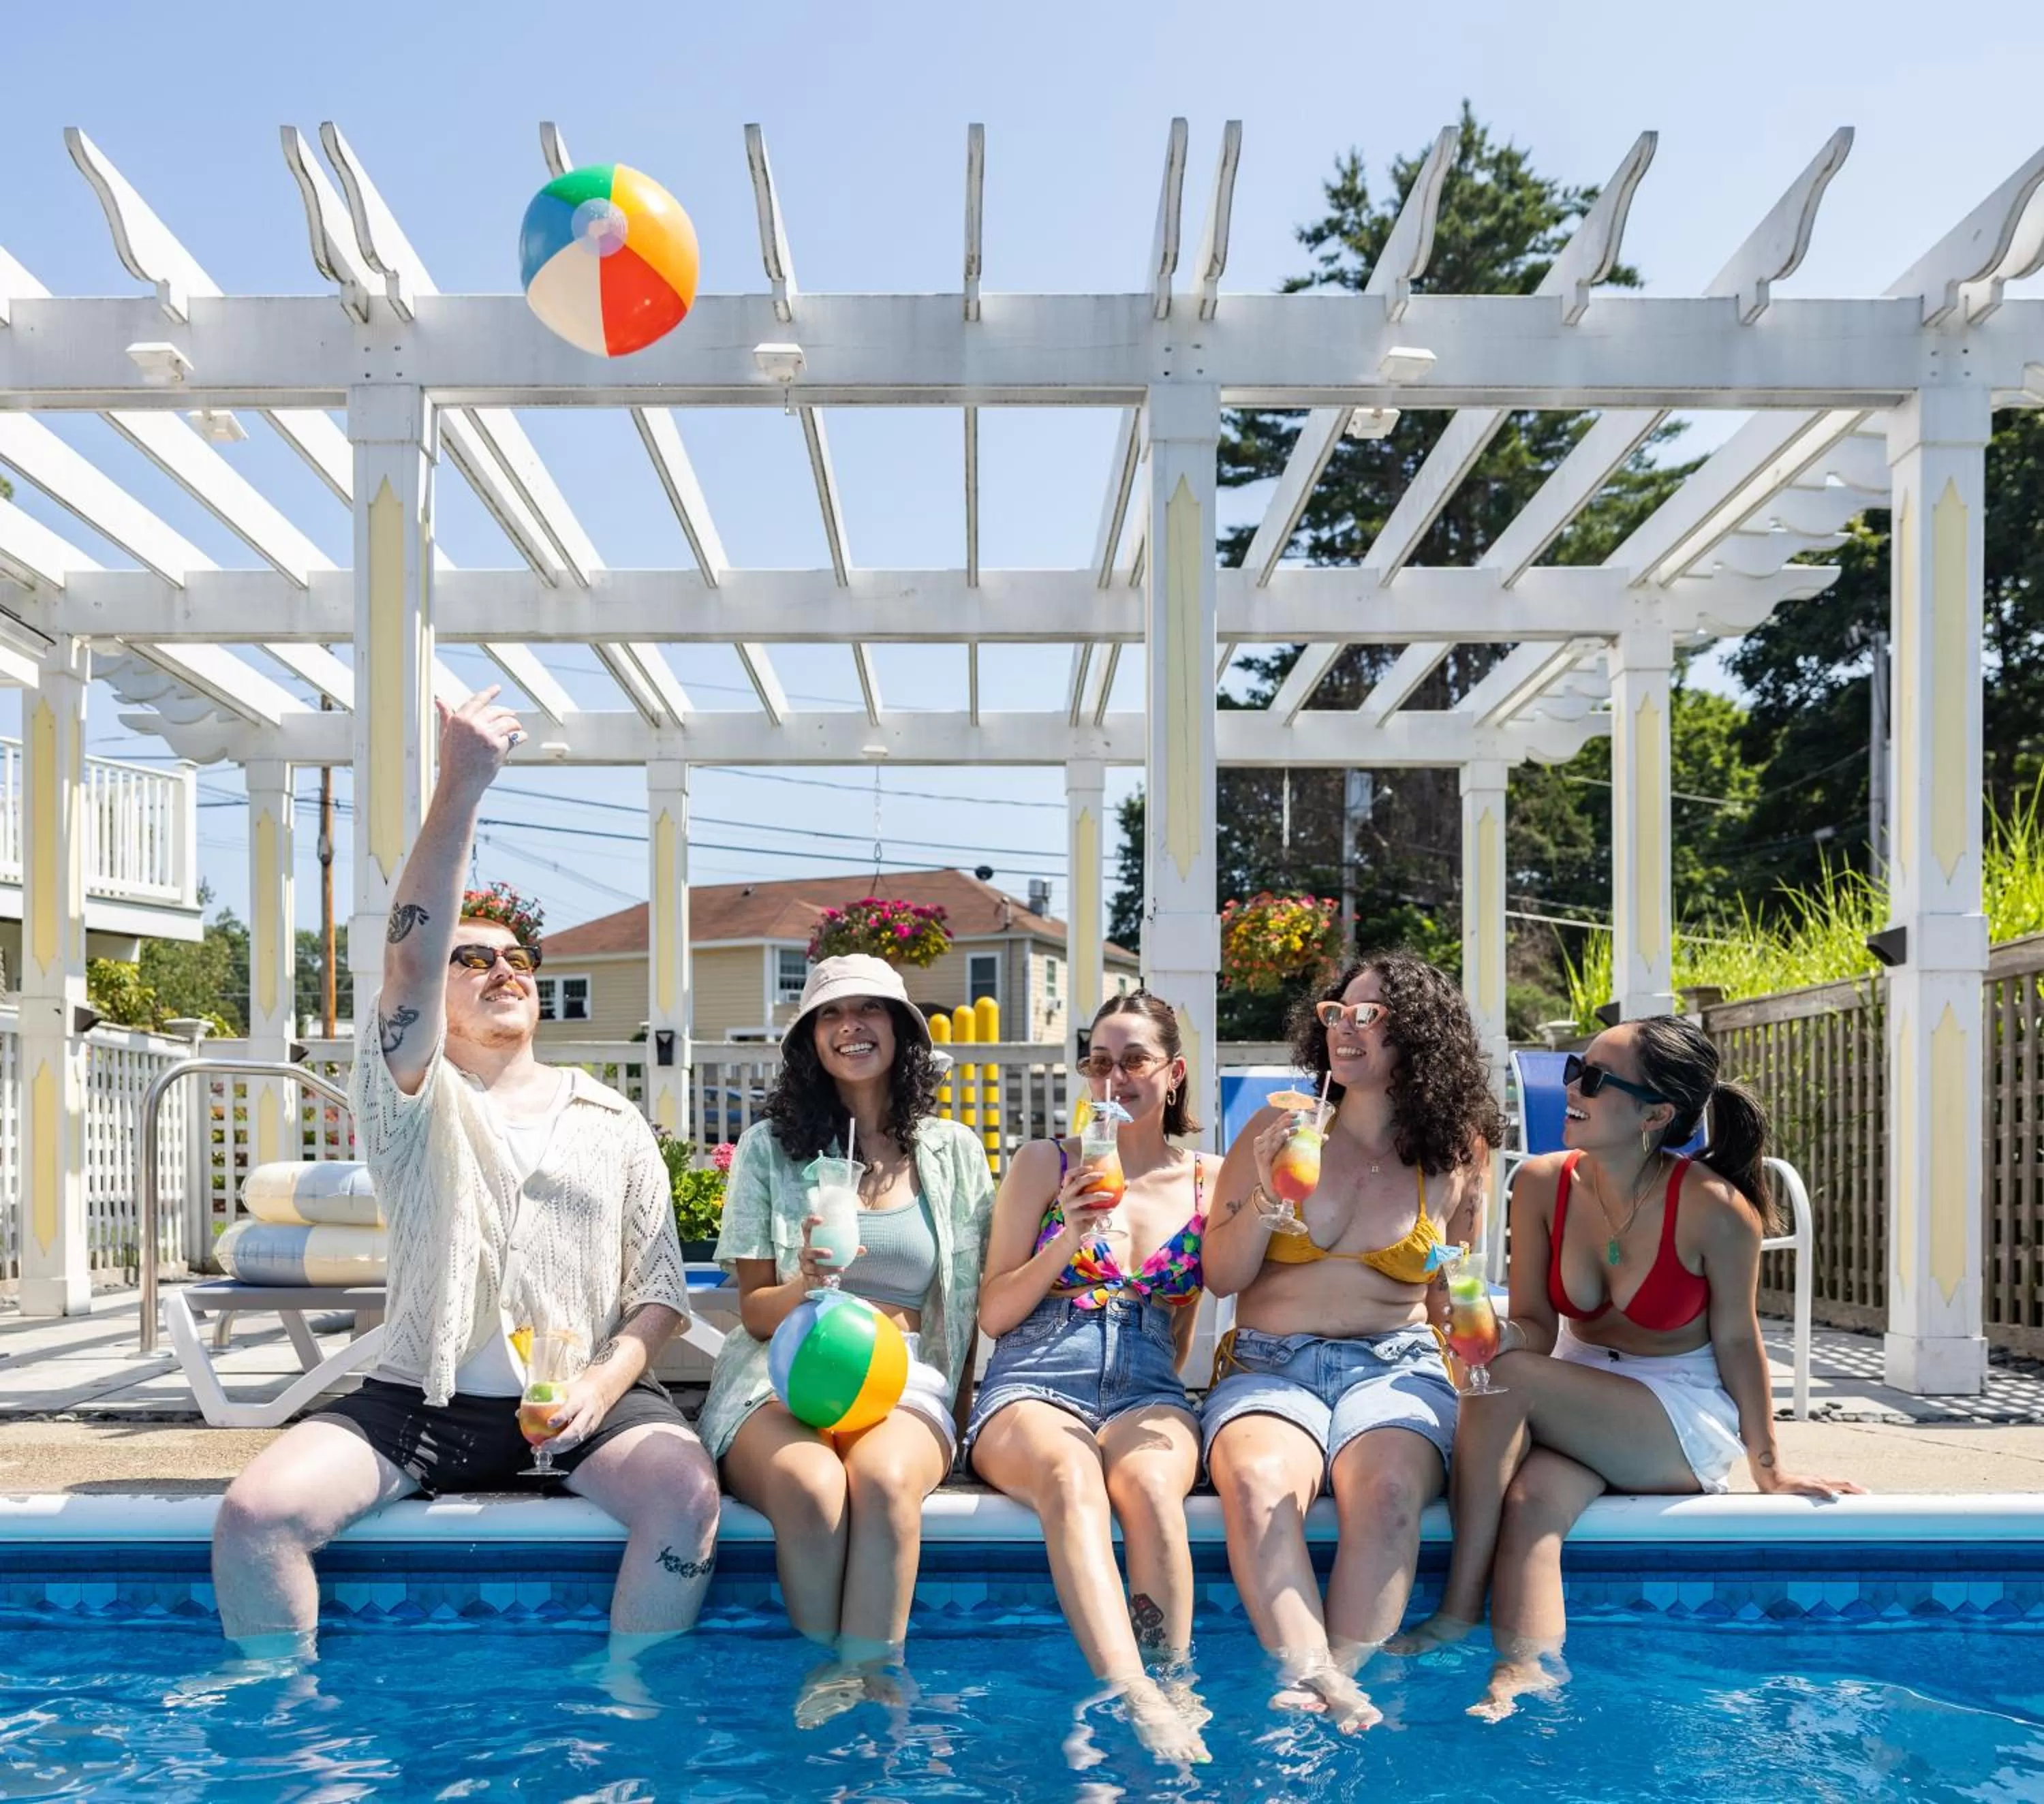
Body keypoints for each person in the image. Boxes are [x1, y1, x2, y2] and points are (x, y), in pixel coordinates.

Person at [213, 688, 719, 1672]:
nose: (504, 969)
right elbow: (405, 961)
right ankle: (284, 1723)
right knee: (255, 1517)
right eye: (473, 958)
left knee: (689, 1499)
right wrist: (462, 783)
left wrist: (599, 1385)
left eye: (518, 957)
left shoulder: (613, 1122)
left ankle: (630, 1707)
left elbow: (658, 1293)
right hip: (420, 1400)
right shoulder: (411, 1101)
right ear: (435, 999)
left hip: (588, 1405)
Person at [1394, 1013, 1863, 1720]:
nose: (1571, 1087)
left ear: (1656, 1114)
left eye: (1595, 1078)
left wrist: (1769, 1466)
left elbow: (1739, 1342)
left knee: (1509, 1379)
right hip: (1583, 1395)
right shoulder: (1542, 1183)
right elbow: (1537, 1326)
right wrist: (1493, 1330)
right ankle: (1525, 1670)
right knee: (1530, 1503)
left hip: (1677, 1412)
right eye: (1574, 1069)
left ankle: (1457, 1609)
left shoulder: (1716, 1210)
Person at [1201, 952, 1499, 1731]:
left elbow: (1453, 1286)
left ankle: (1333, 1677)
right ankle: (1320, 1679)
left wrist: (1478, 1342)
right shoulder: (1279, 1128)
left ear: (1422, 1034)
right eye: (1337, 1011)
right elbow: (1222, 1275)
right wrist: (1264, 1190)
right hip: (1270, 1363)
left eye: (1370, 1014)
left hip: (1395, 1366)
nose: (1346, 1026)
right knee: (1259, 1483)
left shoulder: (1458, 1152)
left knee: (1391, 1490)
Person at [700, 954, 992, 1723]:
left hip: (905, 1378)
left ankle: (874, 1676)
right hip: (781, 1371)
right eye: (830, 1013)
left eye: (869, 1009)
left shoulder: (954, 1150)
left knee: (887, 1482)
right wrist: (808, 1280)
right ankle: (822, 1673)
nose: (850, 1026)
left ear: (901, 1031)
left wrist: (964, 1419)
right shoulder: (769, 1148)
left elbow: (968, 1305)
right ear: (810, 1038)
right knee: (811, 1485)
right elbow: (755, 1311)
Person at [966, 991, 1211, 1766]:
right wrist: (1067, 1235)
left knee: (1152, 1489)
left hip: (1146, 1384)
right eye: (1099, 1062)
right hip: (1035, 1375)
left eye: (1134, 1060)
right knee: (1072, 1479)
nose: (1115, 1078)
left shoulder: (1206, 1180)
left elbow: (1182, 1327)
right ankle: (1136, 1693)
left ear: (1173, 1073)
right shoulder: (1048, 1162)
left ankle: (1175, 1682)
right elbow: (994, 1313)